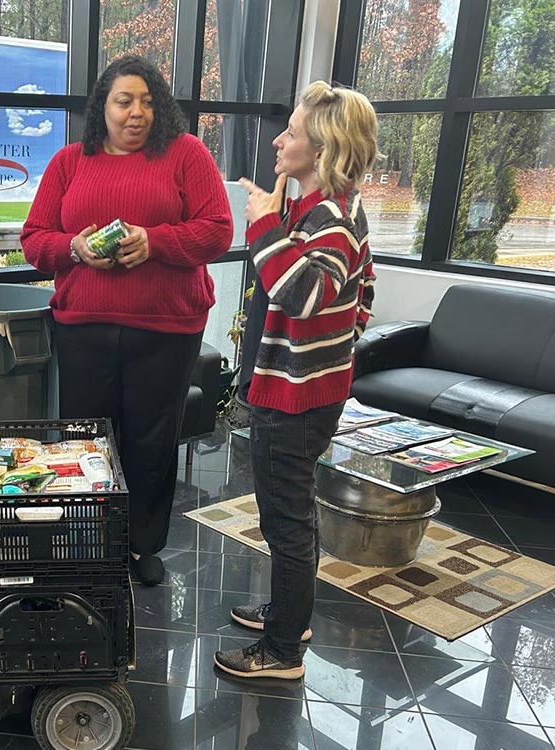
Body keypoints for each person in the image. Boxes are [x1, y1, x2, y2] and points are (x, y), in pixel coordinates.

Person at [21, 55, 233, 586]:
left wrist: (155, 242)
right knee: (87, 440)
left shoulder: (186, 154)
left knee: (150, 440)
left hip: (166, 330)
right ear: (103, 109)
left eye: (147, 101)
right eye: (124, 101)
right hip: (83, 327)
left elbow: (217, 231)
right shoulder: (71, 162)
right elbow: (33, 240)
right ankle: (86, 541)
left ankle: (142, 545)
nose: (136, 112)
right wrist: (72, 247)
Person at [214, 81, 378, 680]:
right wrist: (339, 349)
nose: (280, 139)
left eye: (293, 131)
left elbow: (304, 296)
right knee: (291, 511)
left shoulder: (330, 217)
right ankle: (291, 614)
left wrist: (261, 226)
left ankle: (283, 651)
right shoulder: (323, 210)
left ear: (325, 147)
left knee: (285, 519)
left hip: (295, 398)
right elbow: (364, 293)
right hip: (301, 389)